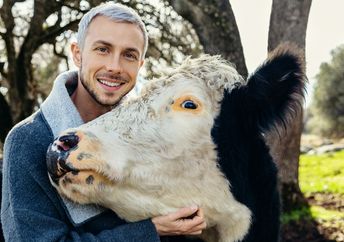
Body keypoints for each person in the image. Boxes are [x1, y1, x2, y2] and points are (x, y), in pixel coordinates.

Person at [1, 3, 206, 241]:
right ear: (77, 54)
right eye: (102, 49)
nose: (114, 67)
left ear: (140, 65)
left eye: (129, 55)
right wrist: (151, 231)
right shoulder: (28, 140)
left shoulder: (150, 139)